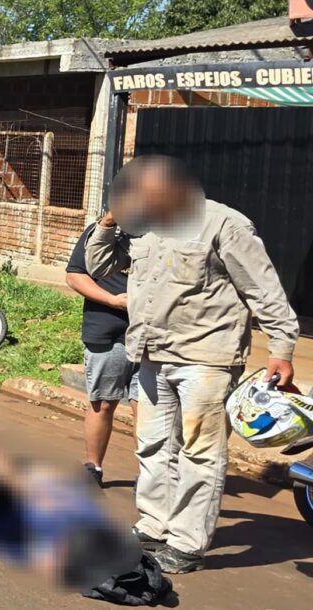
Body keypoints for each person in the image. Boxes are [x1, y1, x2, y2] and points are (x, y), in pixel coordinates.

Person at [85, 155, 299, 573]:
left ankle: (186, 543)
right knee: (152, 445)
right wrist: (109, 220)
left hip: (205, 357)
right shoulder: (145, 226)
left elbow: (264, 288)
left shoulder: (225, 224)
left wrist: (282, 347)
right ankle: (154, 524)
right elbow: (100, 265)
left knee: (199, 452)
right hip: (151, 355)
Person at [65, 224, 139, 486]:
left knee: (146, 408)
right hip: (107, 330)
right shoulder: (102, 231)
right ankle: (93, 466)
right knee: (103, 402)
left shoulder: (165, 232)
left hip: (153, 335)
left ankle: (150, 475)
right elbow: (75, 275)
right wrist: (112, 300)